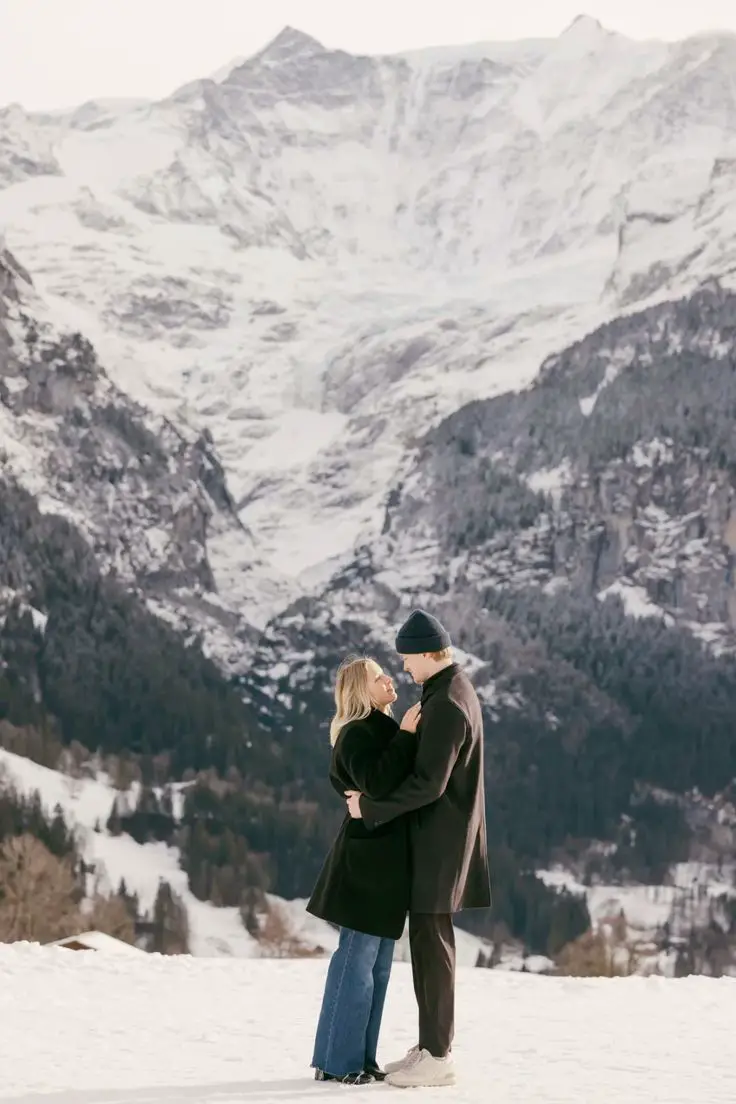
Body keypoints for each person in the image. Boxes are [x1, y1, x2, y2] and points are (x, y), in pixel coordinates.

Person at [346, 609, 491, 1089]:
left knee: (433, 947)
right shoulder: (447, 690)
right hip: (440, 839)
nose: (404, 668)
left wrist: (369, 807)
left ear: (430, 654)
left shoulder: (447, 702)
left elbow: (429, 785)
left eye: (407, 659)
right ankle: (431, 1046)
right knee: (428, 945)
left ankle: (439, 1055)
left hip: (440, 843)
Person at [307, 654, 422, 1085]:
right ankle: (339, 1062)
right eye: (379, 677)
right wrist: (409, 735)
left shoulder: (384, 729)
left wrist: (405, 735)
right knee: (356, 964)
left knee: (376, 968)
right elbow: (377, 782)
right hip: (365, 864)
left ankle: (358, 1058)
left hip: (385, 863)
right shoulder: (357, 733)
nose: (390, 680)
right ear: (362, 689)